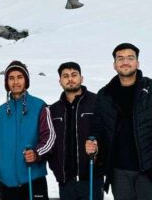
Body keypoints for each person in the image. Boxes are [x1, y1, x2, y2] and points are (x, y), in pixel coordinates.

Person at [87, 43, 152, 200]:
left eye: (130, 58)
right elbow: (98, 128)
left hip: (150, 170)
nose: (125, 62)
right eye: (120, 58)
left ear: (137, 63)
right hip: (119, 173)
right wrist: (93, 143)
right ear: (114, 64)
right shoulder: (105, 94)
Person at [0, 60, 55, 200]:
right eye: (11, 78)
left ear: (26, 80)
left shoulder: (39, 106)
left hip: (33, 179)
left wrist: (36, 153)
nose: (15, 82)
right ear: (6, 82)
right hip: (7, 183)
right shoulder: (0, 112)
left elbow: (49, 137)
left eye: (20, 77)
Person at [48, 62, 104, 200]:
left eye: (74, 75)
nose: (70, 79)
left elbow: (108, 134)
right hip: (66, 181)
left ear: (81, 78)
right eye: (65, 76)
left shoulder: (97, 102)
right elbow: (50, 140)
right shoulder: (54, 109)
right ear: (60, 81)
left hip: (91, 177)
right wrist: (56, 168)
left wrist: (99, 156)